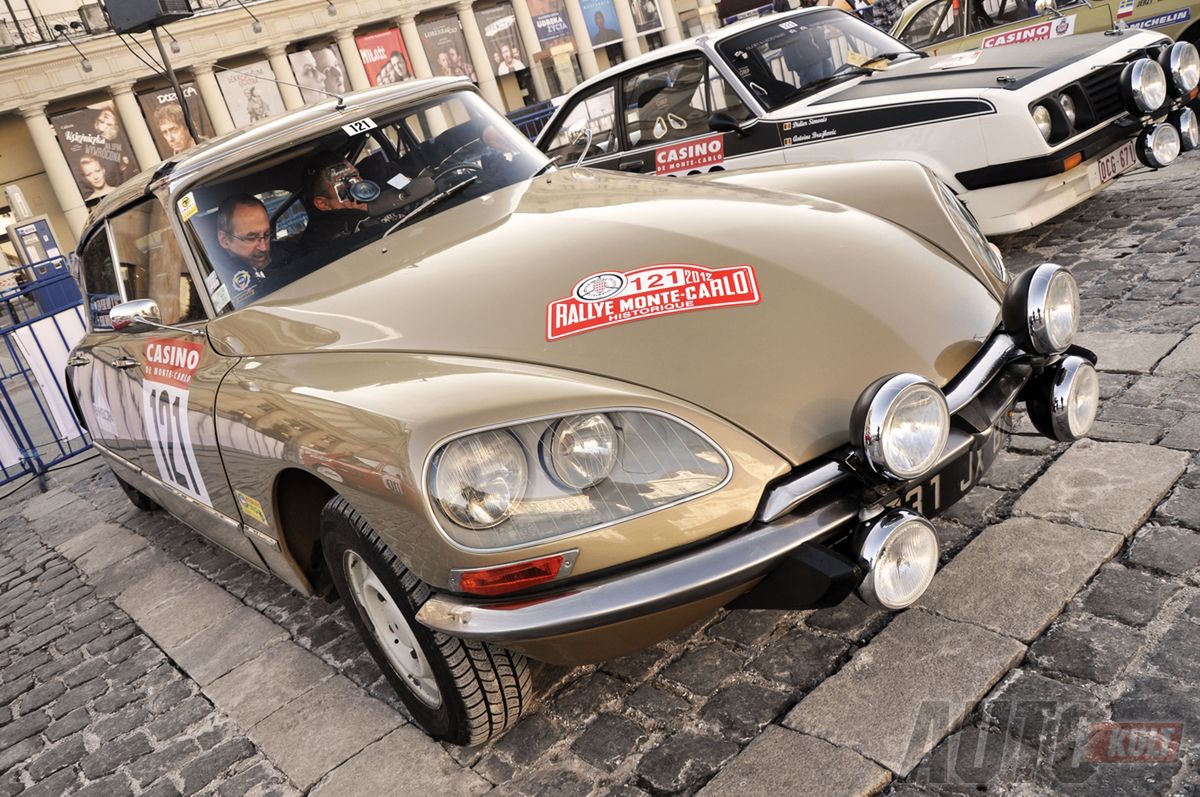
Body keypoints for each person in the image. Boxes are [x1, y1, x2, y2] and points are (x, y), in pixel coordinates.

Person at [214, 194, 285, 303]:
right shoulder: (218, 284)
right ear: (225, 240)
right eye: (251, 238)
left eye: (266, 235)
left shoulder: (288, 254)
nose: (264, 247)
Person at [298, 154, 377, 245]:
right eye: (345, 185)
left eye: (356, 177)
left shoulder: (386, 198)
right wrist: (357, 216)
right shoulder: (322, 240)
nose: (359, 188)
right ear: (323, 204)